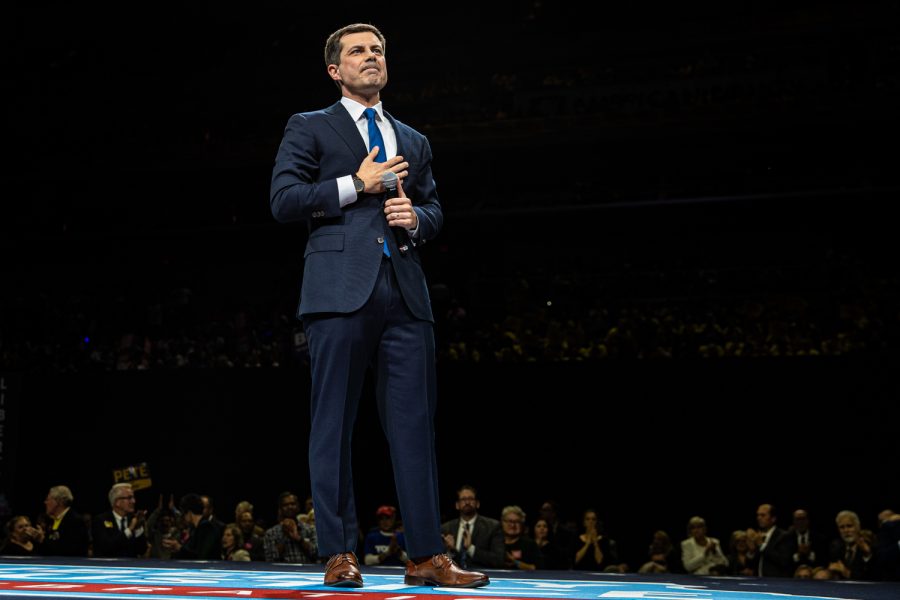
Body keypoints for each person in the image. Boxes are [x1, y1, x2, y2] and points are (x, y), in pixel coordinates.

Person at [269, 22, 487, 590]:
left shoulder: (413, 139)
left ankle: (424, 555)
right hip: (338, 291)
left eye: (379, 50)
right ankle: (339, 553)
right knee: (333, 425)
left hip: (406, 294)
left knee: (415, 428)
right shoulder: (309, 126)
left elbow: (435, 209)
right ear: (335, 71)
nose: (372, 57)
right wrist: (354, 184)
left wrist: (418, 219)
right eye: (358, 52)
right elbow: (284, 200)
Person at [91, 482, 149, 558]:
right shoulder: (100, 520)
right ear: (117, 502)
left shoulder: (133, 520)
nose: (133, 501)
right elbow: (106, 547)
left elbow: (142, 550)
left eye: (133, 497)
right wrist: (129, 530)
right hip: (108, 567)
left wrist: (138, 528)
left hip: (130, 567)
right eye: (129, 498)